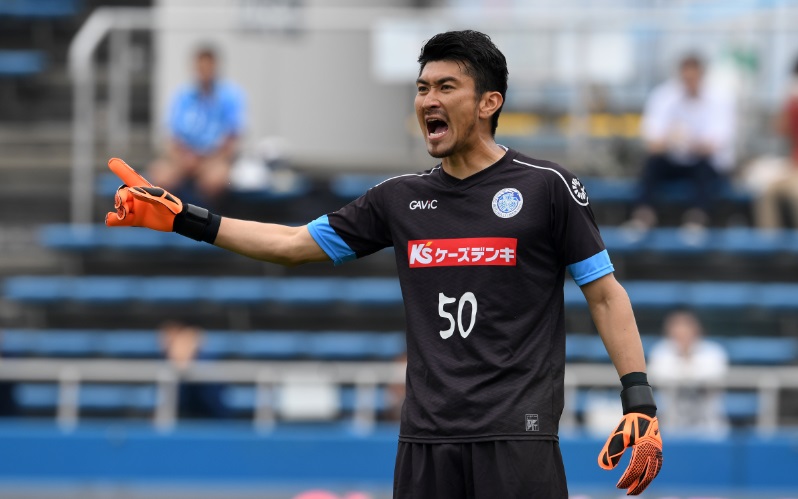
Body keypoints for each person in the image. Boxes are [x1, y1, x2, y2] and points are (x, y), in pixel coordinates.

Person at [105, 30, 662, 497]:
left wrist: (637, 397)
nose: (428, 100)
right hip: (424, 440)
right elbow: (291, 243)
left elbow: (605, 293)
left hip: (518, 435)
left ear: (489, 102)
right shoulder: (397, 199)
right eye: (422, 89)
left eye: (446, 87)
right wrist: (186, 219)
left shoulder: (547, 187)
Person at [628, 54, 736, 231]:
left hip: (703, 165)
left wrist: (682, 141)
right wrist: (677, 142)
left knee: (705, 169)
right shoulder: (663, 96)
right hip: (672, 161)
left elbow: (715, 144)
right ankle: (643, 216)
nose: (689, 83)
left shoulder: (720, 99)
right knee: (651, 165)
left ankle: (697, 218)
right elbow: (652, 142)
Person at [148, 45, 246, 209]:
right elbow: (171, 136)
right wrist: (183, 159)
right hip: (183, 158)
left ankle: (209, 220)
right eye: (201, 67)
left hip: (215, 159)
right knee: (160, 176)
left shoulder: (231, 96)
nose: (204, 72)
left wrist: (209, 161)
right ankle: (168, 218)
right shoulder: (182, 96)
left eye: (208, 67)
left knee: (214, 180)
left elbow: (232, 138)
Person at [648, 310, 729, 435]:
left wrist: (683, 366)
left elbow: (714, 373)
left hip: (710, 428)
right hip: (671, 427)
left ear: (697, 329)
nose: (682, 333)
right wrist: (690, 367)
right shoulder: (660, 351)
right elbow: (658, 374)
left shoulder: (713, 351)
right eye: (677, 327)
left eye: (686, 327)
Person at [754, 57, 798, 229]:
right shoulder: (792, 100)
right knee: (765, 192)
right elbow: (780, 129)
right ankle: (769, 241)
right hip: (793, 168)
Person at [159, 321, 229, 420]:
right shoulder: (164, 365)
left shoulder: (208, 364)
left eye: (185, 343)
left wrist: (186, 367)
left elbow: (211, 403)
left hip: (211, 420)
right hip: (183, 421)